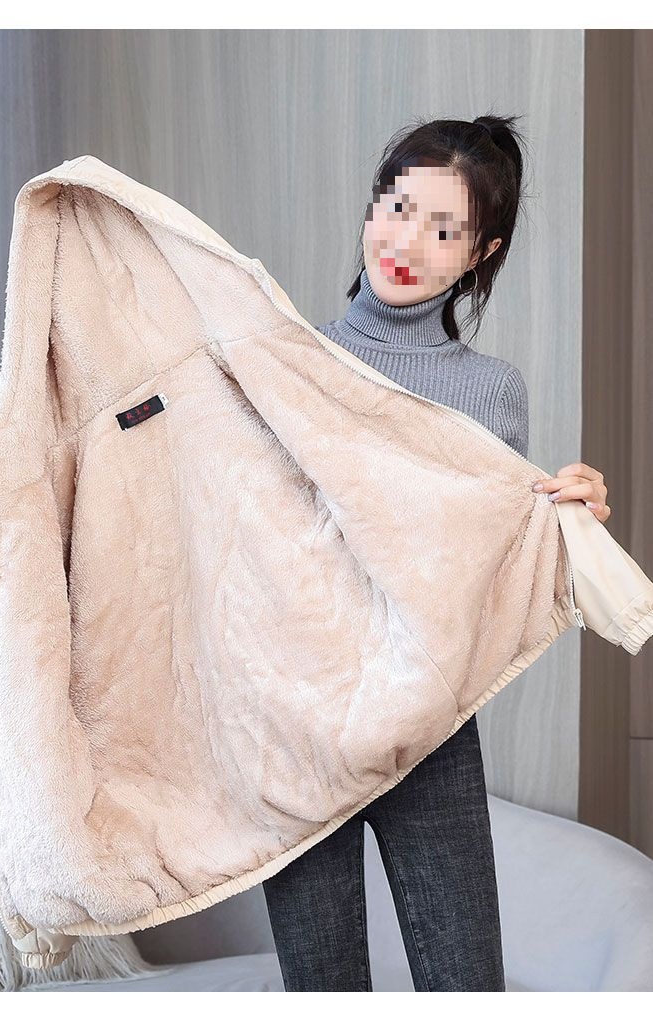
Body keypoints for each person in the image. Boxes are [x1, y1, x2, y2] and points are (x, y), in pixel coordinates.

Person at [260, 114, 611, 992]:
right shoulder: (284, 362)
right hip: (301, 725)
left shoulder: (491, 393)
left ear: (481, 254)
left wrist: (569, 523)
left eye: (445, 230)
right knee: (322, 992)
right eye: (399, 208)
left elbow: (485, 572)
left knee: (466, 985)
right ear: (372, 205)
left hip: (431, 728)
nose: (408, 241)